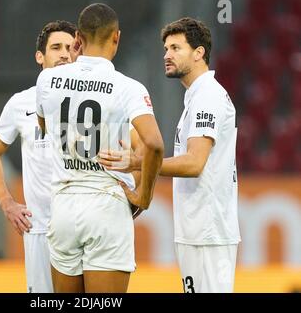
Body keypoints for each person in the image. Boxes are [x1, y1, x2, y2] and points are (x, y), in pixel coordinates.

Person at [98, 17, 241, 293]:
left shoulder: (208, 96)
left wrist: (141, 162)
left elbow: (194, 162)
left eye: (176, 48)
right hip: (197, 230)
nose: (167, 54)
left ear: (199, 53)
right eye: (166, 48)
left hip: (208, 232)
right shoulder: (196, 97)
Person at [36, 3, 164, 293]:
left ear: (77, 38)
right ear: (116, 37)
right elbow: (154, 144)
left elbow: (45, 127)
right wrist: (143, 196)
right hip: (107, 203)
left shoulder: (47, 79)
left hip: (64, 205)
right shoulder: (128, 87)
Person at [0, 20, 77, 293]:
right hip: (39, 229)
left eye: (70, 47)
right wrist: (6, 202)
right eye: (56, 47)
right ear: (40, 56)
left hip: (81, 225)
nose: (64, 54)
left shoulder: (91, 100)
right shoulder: (21, 102)